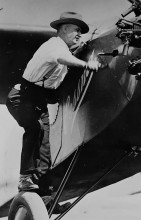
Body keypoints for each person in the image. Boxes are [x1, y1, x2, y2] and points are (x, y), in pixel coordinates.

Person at [6, 12, 99, 194]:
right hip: (23, 96)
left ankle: (46, 197)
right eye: (76, 30)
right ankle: (25, 178)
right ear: (64, 29)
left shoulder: (64, 48)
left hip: (38, 100)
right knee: (35, 129)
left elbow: (65, 58)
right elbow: (62, 58)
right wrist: (86, 64)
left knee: (45, 150)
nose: (80, 34)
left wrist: (81, 49)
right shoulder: (54, 46)